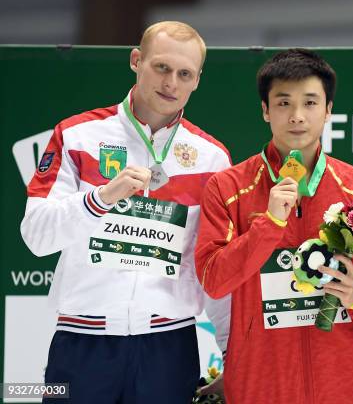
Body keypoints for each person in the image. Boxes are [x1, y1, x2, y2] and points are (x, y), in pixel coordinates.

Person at [20, 21, 232, 403]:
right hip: (81, 341)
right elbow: (36, 235)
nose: (171, 82)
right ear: (137, 60)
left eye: (184, 74)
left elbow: (213, 267)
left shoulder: (211, 157)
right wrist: (100, 199)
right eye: (161, 67)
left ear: (197, 80)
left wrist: (232, 353)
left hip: (170, 346)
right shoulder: (76, 135)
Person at [195, 49, 353, 403]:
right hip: (262, 385)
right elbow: (213, 278)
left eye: (310, 103)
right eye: (284, 103)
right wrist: (268, 225)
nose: (297, 117)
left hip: (348, 385)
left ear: (328, 110)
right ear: (265, 110)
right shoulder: (228, 188)